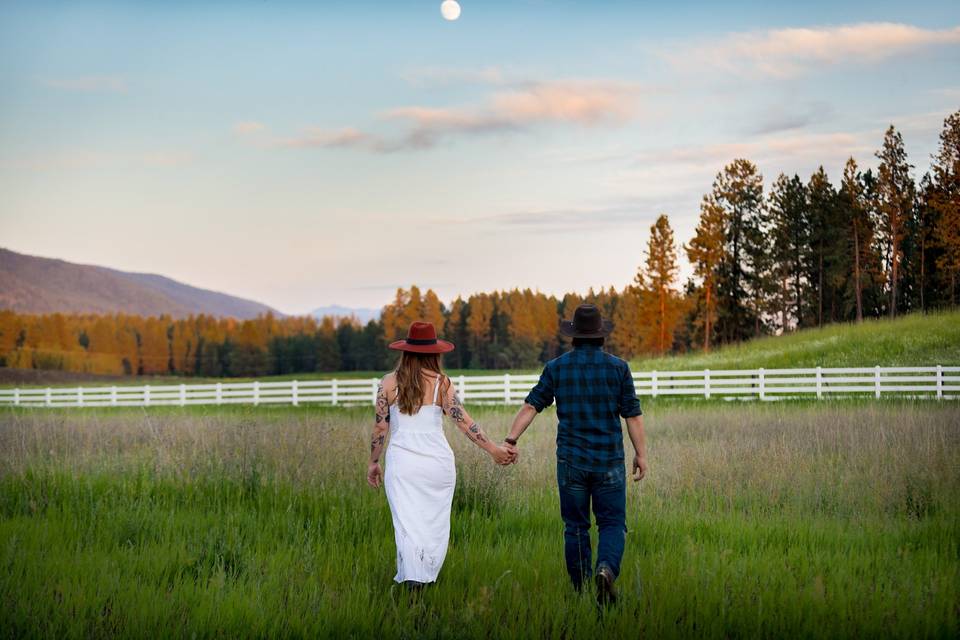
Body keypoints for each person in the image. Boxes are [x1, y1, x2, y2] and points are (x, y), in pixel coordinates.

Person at [502, 304, 648, 606]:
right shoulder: (619, 368)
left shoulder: (557, 368)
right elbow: (632, 415)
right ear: (601, 336)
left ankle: (581, 590)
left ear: (574, 337)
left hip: (571, 461)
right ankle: (606, 570)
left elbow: (531, 406)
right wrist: (641, 454)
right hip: (608, 461)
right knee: (611, 524)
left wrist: (511, 439)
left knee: (576, 527)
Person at [366, 321, 516, 588]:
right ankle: (423, 576)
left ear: (406, 351)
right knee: (433, 525)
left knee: (407, 526)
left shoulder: (388, 383)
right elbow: (463, 421)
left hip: (403, 465)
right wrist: (493, 448)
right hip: (438, 464)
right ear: (434, 353)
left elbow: (380, 426)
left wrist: (374, 462)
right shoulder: (442, 383)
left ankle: (414, 579)